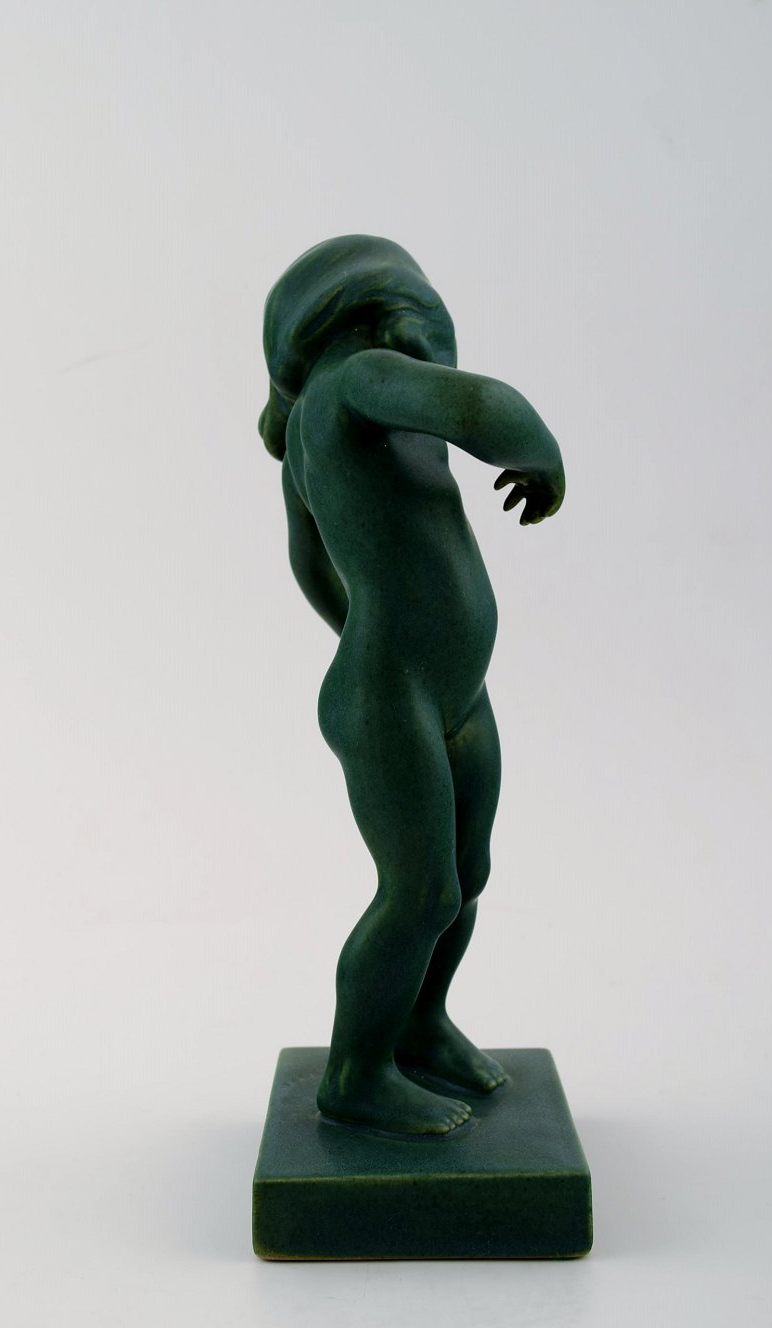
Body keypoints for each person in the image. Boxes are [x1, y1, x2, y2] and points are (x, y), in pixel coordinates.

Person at [259, 235, 564, 1134]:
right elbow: (483, 406)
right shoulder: (360, 378)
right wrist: (538, 452)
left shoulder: (325, 424)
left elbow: (309, 563)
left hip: (444, 686)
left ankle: (420, 1024)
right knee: (421, 892)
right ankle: (356, 1073)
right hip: (393, 690)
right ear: (377, 309)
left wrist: (384, 625)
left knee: (465, 873)